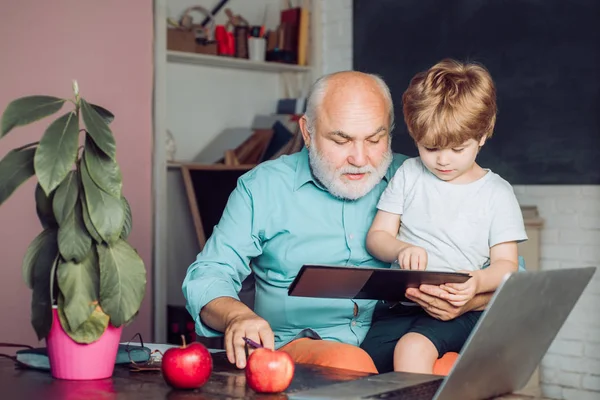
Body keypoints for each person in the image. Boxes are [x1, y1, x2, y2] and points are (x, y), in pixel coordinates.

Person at [182, 70, 505, 374]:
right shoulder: (263, 187)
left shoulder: (418, 178)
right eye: (341, 141)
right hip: (301, 346)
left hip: (400, 339)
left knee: (454, 371)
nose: (360, 158)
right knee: (348, 364)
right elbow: (209, 274)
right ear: (308, 132)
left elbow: (505, 274)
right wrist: (237, 316)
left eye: (375, 140)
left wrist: (468, 301)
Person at [360, 59, 528, 374]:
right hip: (401, 306)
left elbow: (507, 266)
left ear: (481, 135)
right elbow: (377, 237)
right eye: (430, 148)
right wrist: (400, 249)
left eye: (457, 149)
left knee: (413, 348)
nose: (443, 161)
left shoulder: (497, 193)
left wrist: (478, 281)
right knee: (362, 364)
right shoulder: (410, 174)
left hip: (461, 309)